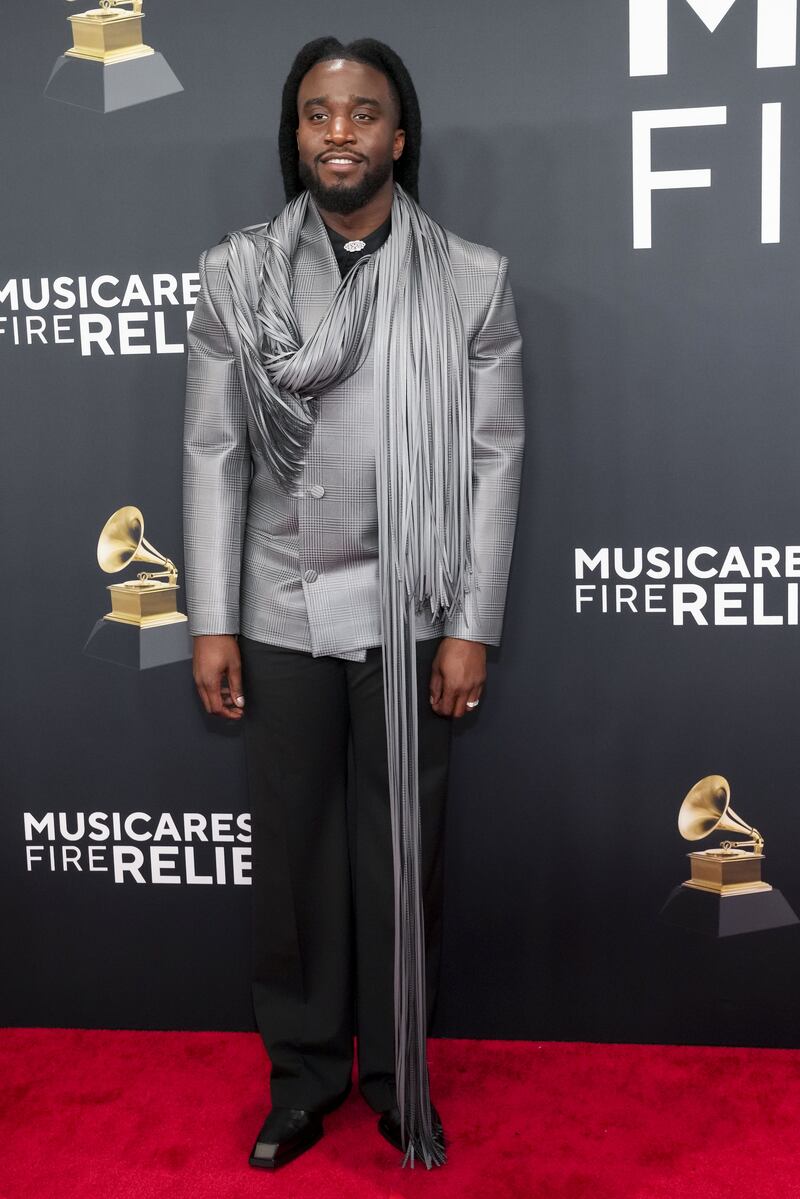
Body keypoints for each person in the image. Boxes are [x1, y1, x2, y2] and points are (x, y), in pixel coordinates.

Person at [183, 35, 525, 1171]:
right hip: (279, 604)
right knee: (292, 862)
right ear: (295, 134)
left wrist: (470, 621)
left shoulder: (469, 276)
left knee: (396, 858)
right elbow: (214, 451)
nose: (339, 131)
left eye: (362, 111)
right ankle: (301, 1078)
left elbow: (492, 457)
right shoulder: (236, 271)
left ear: (398, 133)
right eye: (318, 112)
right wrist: (213, 619)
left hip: (411, 607)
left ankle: (394, 1076)